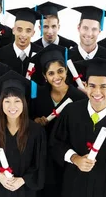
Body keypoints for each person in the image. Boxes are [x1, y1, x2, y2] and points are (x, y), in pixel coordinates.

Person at [50, 57, 106, 197]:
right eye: (92, 86)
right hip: (73, 184)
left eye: (103, 86)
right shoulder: (71, 112)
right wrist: (75, 158)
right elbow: (56, 143)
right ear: (85, 86)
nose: (97, 92)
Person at [28, 44, 87, 197]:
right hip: (42, 157)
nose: (57, 77)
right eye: (51, 73)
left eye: (60, 71)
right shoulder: (37, 95)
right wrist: (35, 121)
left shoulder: (79, 98)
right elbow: (27, 120)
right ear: (44, 76)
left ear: (66, 71)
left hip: (68, 158)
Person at [0, 71, 47, 197]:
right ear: (1, 103)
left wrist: (22, 180)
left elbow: (40, 164)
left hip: (26, 190)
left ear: (24, 103)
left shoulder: (36, 131)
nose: (12, 106)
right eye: (7, 101)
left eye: (17, 101)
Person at [0, 7, 43, 76]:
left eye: (28, 31)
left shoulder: (41, 54)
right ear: (13, 30)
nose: (23, 35)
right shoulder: (0, 55)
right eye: (19, 30)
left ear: (33, 33)